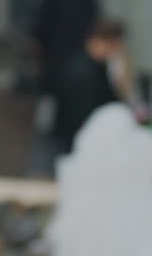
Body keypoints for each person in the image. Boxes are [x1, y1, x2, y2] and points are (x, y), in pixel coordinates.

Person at [53, 19, 147, 155]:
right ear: (97, 41)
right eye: (114, 45)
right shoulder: (82, 73)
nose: (116, 51)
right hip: (79, 144)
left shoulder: (100, 67)